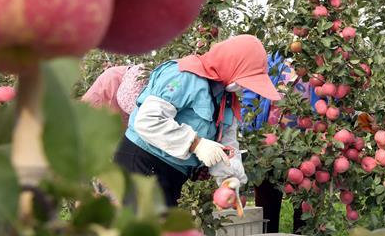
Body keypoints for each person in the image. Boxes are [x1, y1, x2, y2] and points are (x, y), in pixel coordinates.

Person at [113, 35, 281, 207]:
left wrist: (229, 178)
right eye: (245, 79)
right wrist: (196, 144)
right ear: (231, 64)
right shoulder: (185, 76)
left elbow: (227, 144)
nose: (245, 87)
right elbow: (148, 120)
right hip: (142, 163)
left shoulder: (225, 99)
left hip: (172, 173)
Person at [239, 52, 306, 234]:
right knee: (267, 209)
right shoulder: (273, 59)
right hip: (268, 148)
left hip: (307, 149)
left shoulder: (320, 61)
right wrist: (249, 130)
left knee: (306, 209)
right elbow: (250, 96)